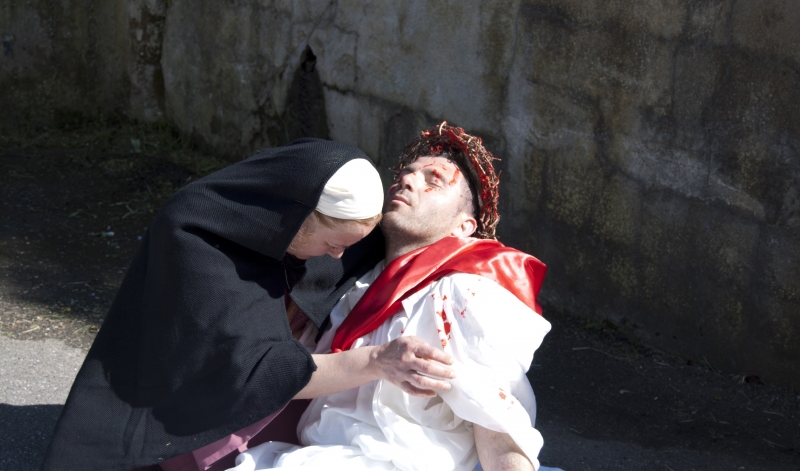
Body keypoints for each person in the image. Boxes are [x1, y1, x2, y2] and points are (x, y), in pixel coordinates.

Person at [42, 138, 456, 471]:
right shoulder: (195, 242)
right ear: (295, 218)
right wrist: (377, 361)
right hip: (181, 407)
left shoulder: (318, 224)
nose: (337, 257)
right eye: (333, 245)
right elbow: (257, 371)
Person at [230, 123, 555, 471]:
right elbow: (282, 376)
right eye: (405, 174)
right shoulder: (347, 279)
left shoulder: (464, 292)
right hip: (306, 457)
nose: (407, 181)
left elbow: (499, 428)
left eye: (434, 182)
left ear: (463, 227)